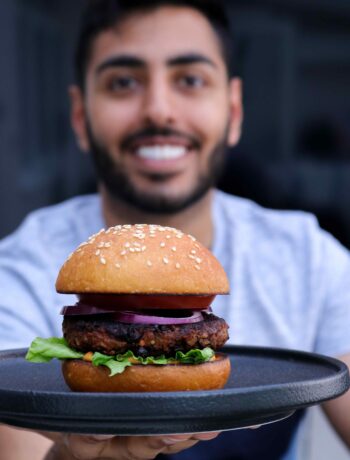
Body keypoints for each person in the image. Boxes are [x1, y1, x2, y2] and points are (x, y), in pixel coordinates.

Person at [0, 0, 349, 459]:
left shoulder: (310, 257)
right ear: (81, 117)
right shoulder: (19, 269)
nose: (159, 111)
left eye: (190, 79)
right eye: (123, 82)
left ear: (234, 111)